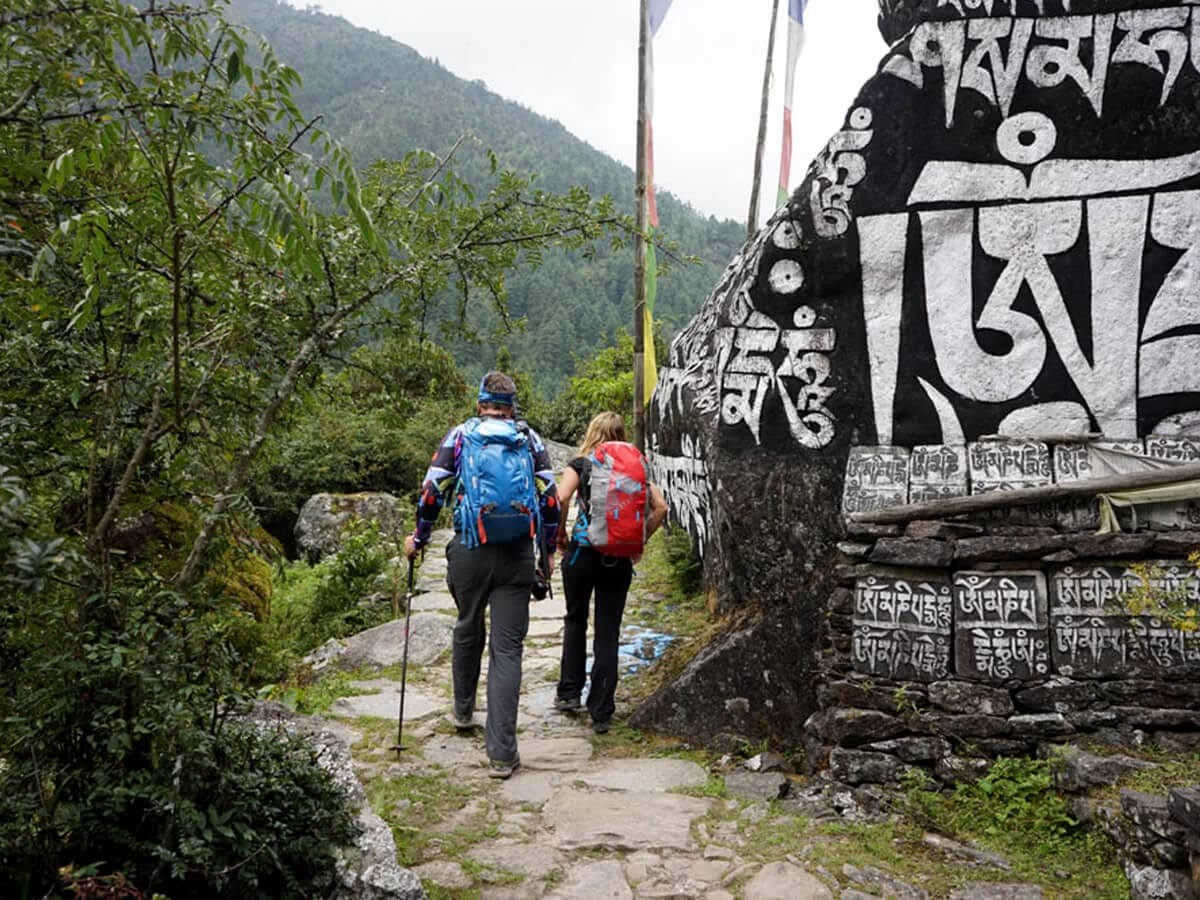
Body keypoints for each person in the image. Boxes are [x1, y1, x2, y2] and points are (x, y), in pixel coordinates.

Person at [404, 371, 558, 778]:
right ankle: (503, 754)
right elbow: (551, 500)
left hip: (470, 548)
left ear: (480, 404)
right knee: (507, 651)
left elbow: (432, 491)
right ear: (512, 406)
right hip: (517, 554)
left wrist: (419, 539)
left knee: (468, 625)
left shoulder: (460, 437)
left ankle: (461, 709)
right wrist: (548, 554)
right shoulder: (531, 440)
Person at [554, 412, 667, 734]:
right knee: (608, 630)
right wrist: (638, 540)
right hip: (617, 560)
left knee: (575, 619)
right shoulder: (635, 464)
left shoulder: (581, 463)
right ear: (620, 433)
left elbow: (561, 497)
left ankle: (569, 694)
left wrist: (559, 534)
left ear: (592, 433)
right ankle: (601, 711)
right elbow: (661, 507)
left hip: (581, 554)